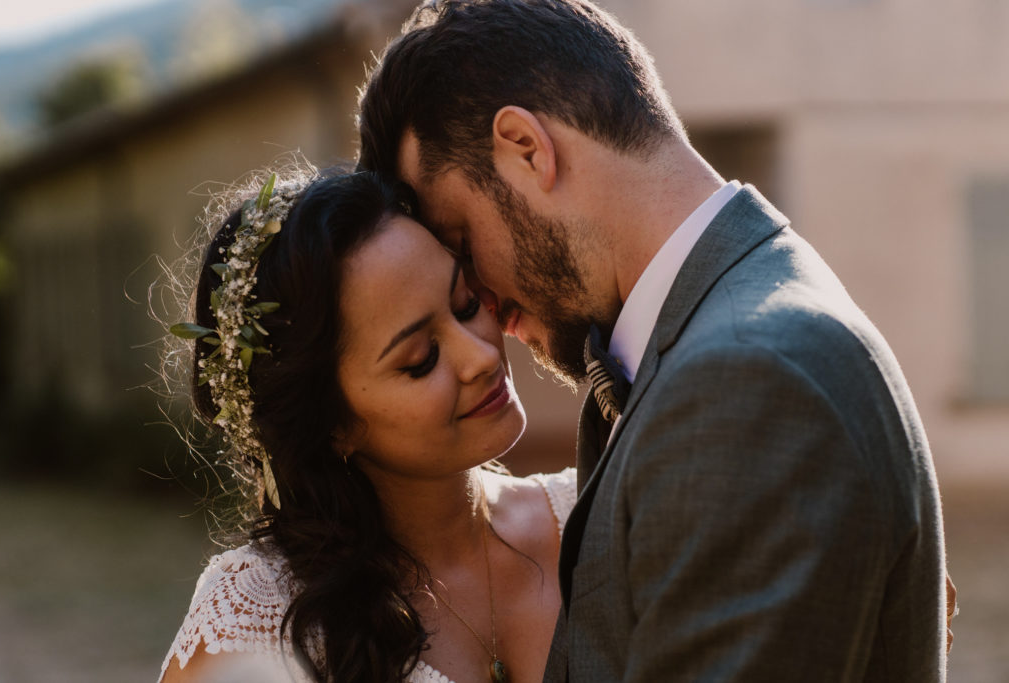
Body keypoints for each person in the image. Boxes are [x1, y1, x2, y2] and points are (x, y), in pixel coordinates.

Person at [357, 1, 953, 680]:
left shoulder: (747, 382)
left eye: (463, 244)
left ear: (526, 148)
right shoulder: (724, 337)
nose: (481, 308)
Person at [158, 167, 576, 683]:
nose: (482, 356)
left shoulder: (594, 518)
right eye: (420, 358)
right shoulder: (252, 622)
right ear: (331, 423)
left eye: (466, 304)